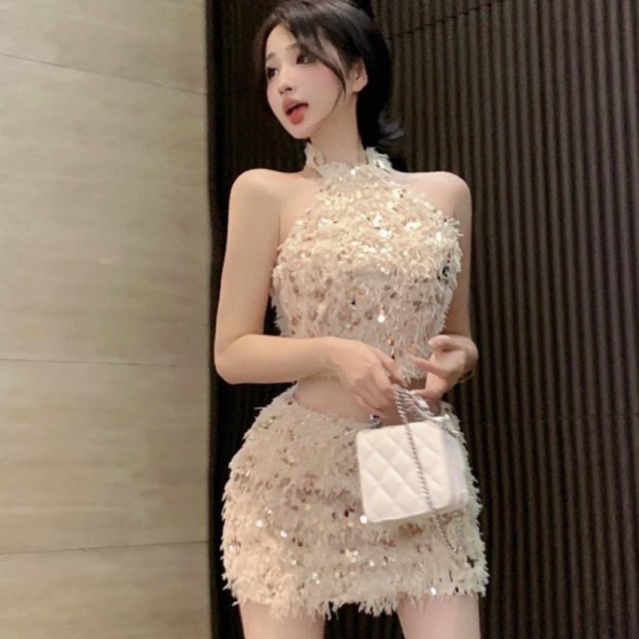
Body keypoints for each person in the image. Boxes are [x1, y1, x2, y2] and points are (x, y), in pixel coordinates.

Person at [213, 1, 489, 637]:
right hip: (294, 476)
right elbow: (232, 352)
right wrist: (332, 352)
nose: (283, 83)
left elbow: (460, 333)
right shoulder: (262, 191)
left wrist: (462, 360)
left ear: (358, 72)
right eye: (271, 70)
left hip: (413, 452)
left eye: (303, 59)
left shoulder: (445, 193)